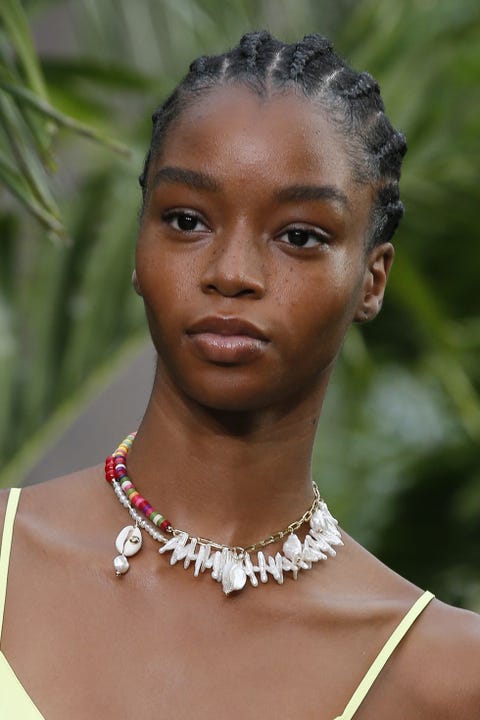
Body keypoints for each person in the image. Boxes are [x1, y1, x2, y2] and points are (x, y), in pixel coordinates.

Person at [0, 30, 479, 720]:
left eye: (299, 236)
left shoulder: (445, 672)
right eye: (187, 220)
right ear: (139, 247)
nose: (230, 273)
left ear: (372, 281)